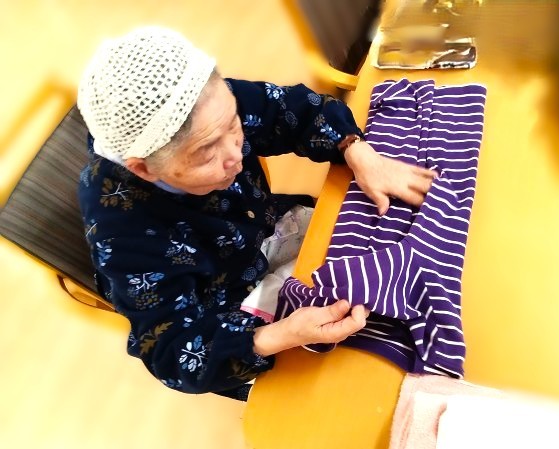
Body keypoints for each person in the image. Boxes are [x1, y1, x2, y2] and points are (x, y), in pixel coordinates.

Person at [77, 26, 436, 401]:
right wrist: (281, 335)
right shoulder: (120, 225)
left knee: (385, 234)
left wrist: (356, 151)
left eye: (233, 125)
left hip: (267, 230)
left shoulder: (206, 107)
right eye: (207, 154)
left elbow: (290, 109)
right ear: (144, 169)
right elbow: (172, 351)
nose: (235, 155)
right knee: (347, 386)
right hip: (226, 308)